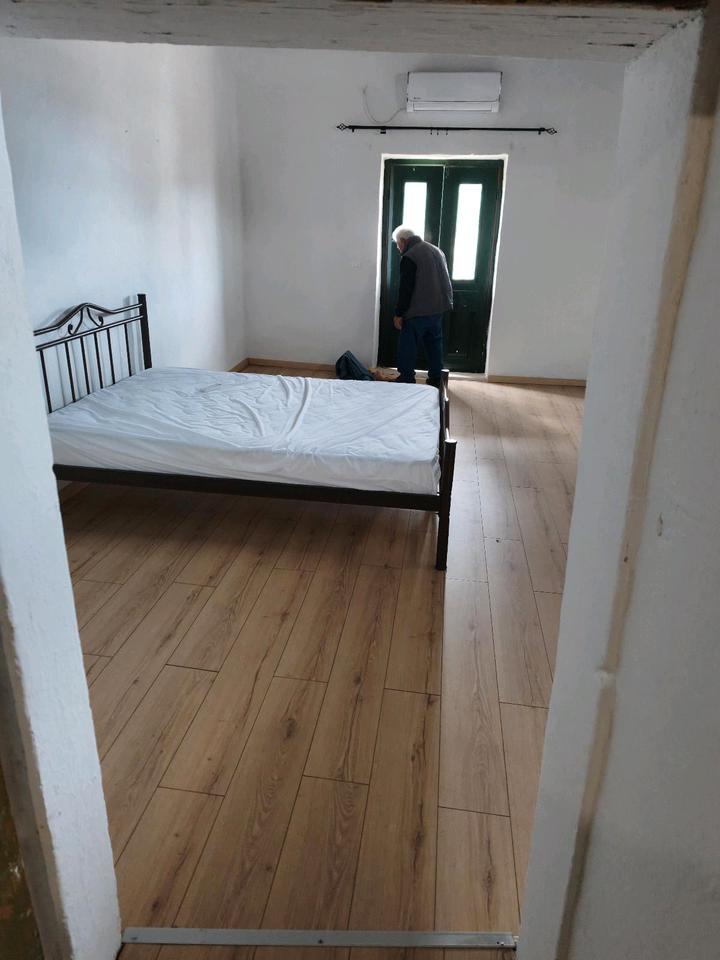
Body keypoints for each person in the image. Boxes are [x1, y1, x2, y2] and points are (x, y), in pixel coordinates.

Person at [392, 225, 453, 388]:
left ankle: (406, 378)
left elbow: (406, 289)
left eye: (397, 245)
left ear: (403, 241)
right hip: (437, 308)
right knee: (434, 345)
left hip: (417, 311)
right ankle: (436, 379)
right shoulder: (436, 250)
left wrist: (399, 313)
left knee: (408, 346)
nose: (398, 249)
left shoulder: (410, 255)